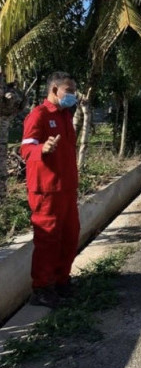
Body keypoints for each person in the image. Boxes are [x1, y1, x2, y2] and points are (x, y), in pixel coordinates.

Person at [21, 72, 80, 308]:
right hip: (46, 191)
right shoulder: (39, 115)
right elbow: (26, 148)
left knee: (70, 236)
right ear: (54, 90)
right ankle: (43, 288)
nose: (73, 95)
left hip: (66, 189)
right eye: (69, 90)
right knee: (48, 240)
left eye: (74, 90)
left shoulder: (65, 116)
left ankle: (61, 281)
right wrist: (41, 149)